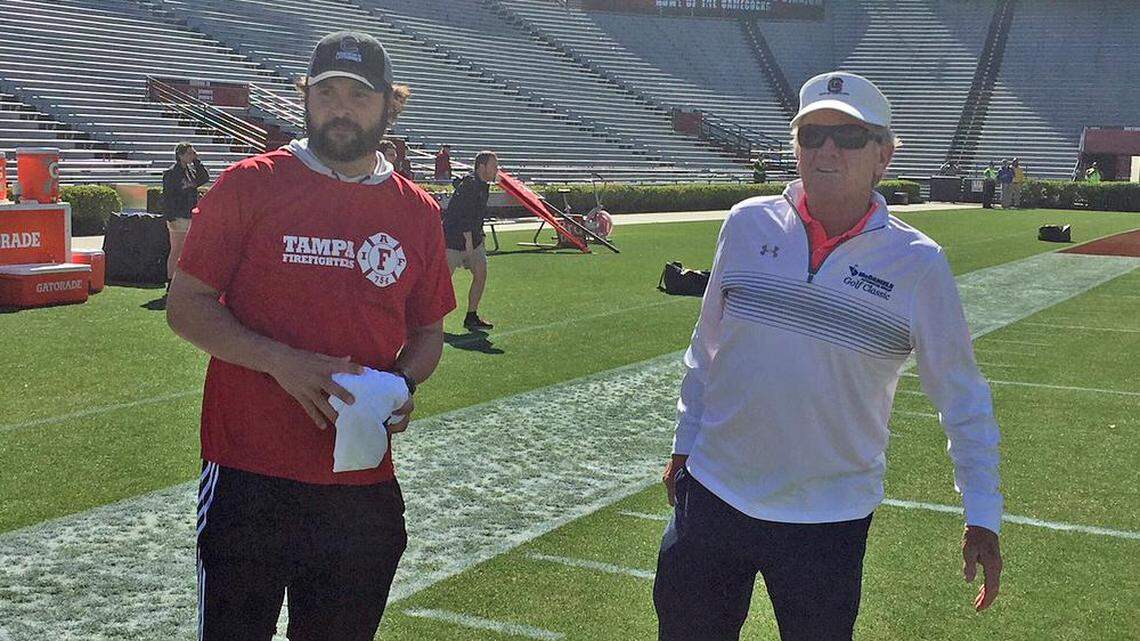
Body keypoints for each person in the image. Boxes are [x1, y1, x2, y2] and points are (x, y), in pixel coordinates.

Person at [653, 71, 1003, 641]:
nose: (827, 150)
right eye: (811, 135)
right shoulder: (745, 224)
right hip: (715, 497)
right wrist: (683, 445)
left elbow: (961, 397)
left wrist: (982, 513)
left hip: (828, 518)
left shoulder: (918, 263)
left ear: (883, 155)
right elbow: (706, 348)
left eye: (848, 137)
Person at [166, 30, 456, 641]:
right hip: (249, 473)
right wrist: (281, 362)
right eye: (326, 93)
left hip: (359, 482)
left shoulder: (417, 212)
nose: (341, 108)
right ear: (305, 98)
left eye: (359, 94)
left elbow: (429, 332)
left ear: (389, 106)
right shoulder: (250, 183)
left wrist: (399, 386)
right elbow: (187, 306)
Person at [442, 150, 497, 331]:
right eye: (493, 166)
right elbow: (462, 215)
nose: (497, 170)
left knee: (481, 274)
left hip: (473, 239)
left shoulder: (484, 185)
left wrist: (478, 239)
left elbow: (476, 216)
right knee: (442, 283)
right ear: (482, 167)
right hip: (454, 240)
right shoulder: (470, 185)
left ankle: (471, 316)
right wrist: (468, 244)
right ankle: (429, 323)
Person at [162, 142, 209, 287]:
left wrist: (197, 161)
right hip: (178, 215)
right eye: (188, 153)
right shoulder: (172, 173)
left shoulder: (190, 171)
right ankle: (170, 280)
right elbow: (168, 196)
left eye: (192, 153)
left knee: (187, 249)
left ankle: (181, 279)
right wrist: (171, 216)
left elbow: (204, 178)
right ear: (180, 155)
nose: (191, 155)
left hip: (189, 214)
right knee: (177, 248)